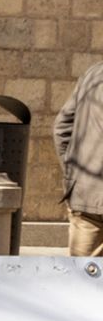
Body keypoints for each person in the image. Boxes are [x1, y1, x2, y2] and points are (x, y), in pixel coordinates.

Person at [54, 61, 103, 255]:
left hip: (85, 193)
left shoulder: (93, 73)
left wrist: (73, 174)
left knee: (80, 276)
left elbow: (60, 128)